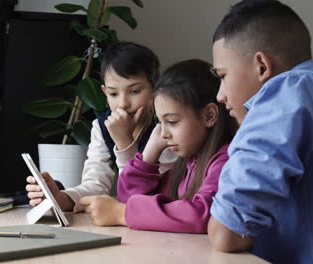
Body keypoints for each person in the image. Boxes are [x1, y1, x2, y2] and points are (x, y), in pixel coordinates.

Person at [207, 0, 313, 263]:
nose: (220, 95)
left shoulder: (286, 91)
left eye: (222, 75)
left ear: (262, 66)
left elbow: (227, 232)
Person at [78, 59, 238, 233]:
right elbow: (132, 199)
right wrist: (148, 155)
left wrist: (121, 213)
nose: (163, 134)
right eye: (161, 122)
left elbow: (202, 215)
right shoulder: (187, 164)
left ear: (209, 115)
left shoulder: (226, 162)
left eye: (172, 121)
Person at [26, 42, 176, 212]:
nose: (123, 104)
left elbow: (154, 196)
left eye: (134, 91)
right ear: (105, 92)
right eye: (113, 93)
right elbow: (95, 185)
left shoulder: (166, 126)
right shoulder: (102, 126)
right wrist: (62, 198)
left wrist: (124, 142)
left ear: (155, 88)